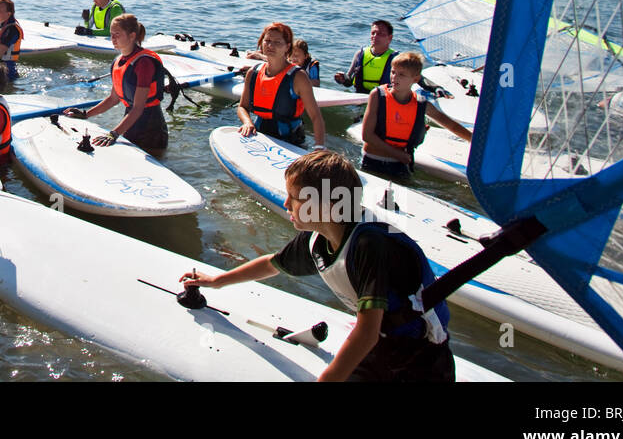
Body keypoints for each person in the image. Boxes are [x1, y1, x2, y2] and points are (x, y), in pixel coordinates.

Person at [179, 150, 456, 382]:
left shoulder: (369, 245)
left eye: (294, 197)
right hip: (380, 349)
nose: (286, 203)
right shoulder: (317, 239)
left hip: (421, 363)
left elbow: (366, 333)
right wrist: (216, 281)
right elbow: (272, 264)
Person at [63, 13, 168, 153]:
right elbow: (113, 99)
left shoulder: (144, 63)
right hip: (130, 126)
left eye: (117, 34)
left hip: (151, 131)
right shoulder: (118, 61)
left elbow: (138, 107)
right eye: (111, 34)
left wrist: (114, 133)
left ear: (131, 36)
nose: (112, 38)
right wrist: (86, 114)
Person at [359, 51, 471, 180]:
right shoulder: (377, 95)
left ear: (416, 79)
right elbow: (367, 135)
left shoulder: (422, 103)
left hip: (400, 165)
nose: (394, 77)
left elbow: (451, 125)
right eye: (393, 72)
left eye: (401, 74)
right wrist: (397, 154)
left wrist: (474, 141)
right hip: (372, 161)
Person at [237, 22, 326, 149]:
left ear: (287, 46)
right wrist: (247, 122)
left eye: (277, 42)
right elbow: (242, 107)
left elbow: (316, 117)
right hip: (260, 138)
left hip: (291, 144)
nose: (270, 45)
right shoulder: (253, 73)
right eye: (267, 40)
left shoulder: (298, 77)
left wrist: (319, 148)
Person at [335, 19, 397, 93]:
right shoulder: (360, 54)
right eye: (373, 33)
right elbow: (349, 83)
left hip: (383, 98)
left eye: (380, 34)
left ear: (390, 38)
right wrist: (342, 79)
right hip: (359, 96)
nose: (375, 36)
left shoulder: (395, 58)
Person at [0, 0, 24, 80]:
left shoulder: (11, 30)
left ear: (8, 14)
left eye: (0, 10)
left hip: (6, 76)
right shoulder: (3, 26)